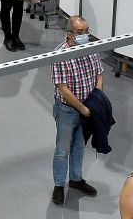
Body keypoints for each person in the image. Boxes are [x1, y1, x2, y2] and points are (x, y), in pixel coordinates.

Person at [50, 15, 104, 205]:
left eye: (87, 31)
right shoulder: (60, 55)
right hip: (67, 110)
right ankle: (58, 185)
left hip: (88, 108)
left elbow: (99, 74)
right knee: (62, 149)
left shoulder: (90, 49)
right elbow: (63, 89)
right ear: (69, 35)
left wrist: (96, 100)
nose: (85, 36)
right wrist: (83, 109)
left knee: (79, 146)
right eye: (80, 33)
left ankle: (76, 179)